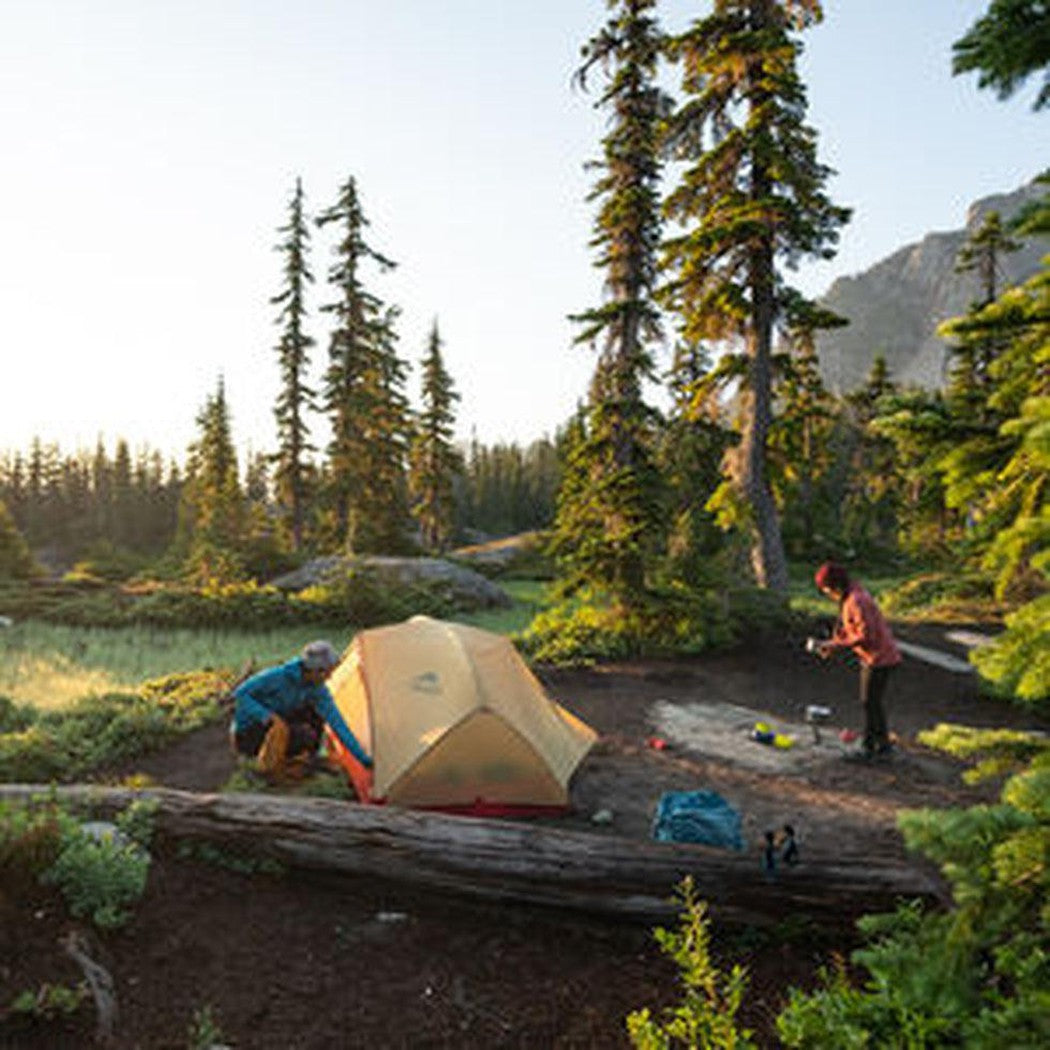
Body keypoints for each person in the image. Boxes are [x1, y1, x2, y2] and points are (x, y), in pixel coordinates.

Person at [231, 640, 373, 777]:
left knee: (315, 715)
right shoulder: (278, 676)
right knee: (303, 735)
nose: (329, 677)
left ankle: (307, 759)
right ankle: (272, 765)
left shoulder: (317, 689)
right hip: (248, 732)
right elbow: (240, 695)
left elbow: (337, 723)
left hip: (278, 719)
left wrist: (363, 759)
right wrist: (266, 716)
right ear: (315, 670)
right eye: (327, 672)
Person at [812, 562, 902, 761]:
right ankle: (882, 746)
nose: (826, 593)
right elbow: (850, 628)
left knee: (870, 703)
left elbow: (866, 635)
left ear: (835, 585)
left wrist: (835, 645)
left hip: (880, 657)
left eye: (826, 589)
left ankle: (871, 749)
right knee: (872, 703)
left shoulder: (856, 600)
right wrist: (833, 644)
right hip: (875, 656)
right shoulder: (850, 595)